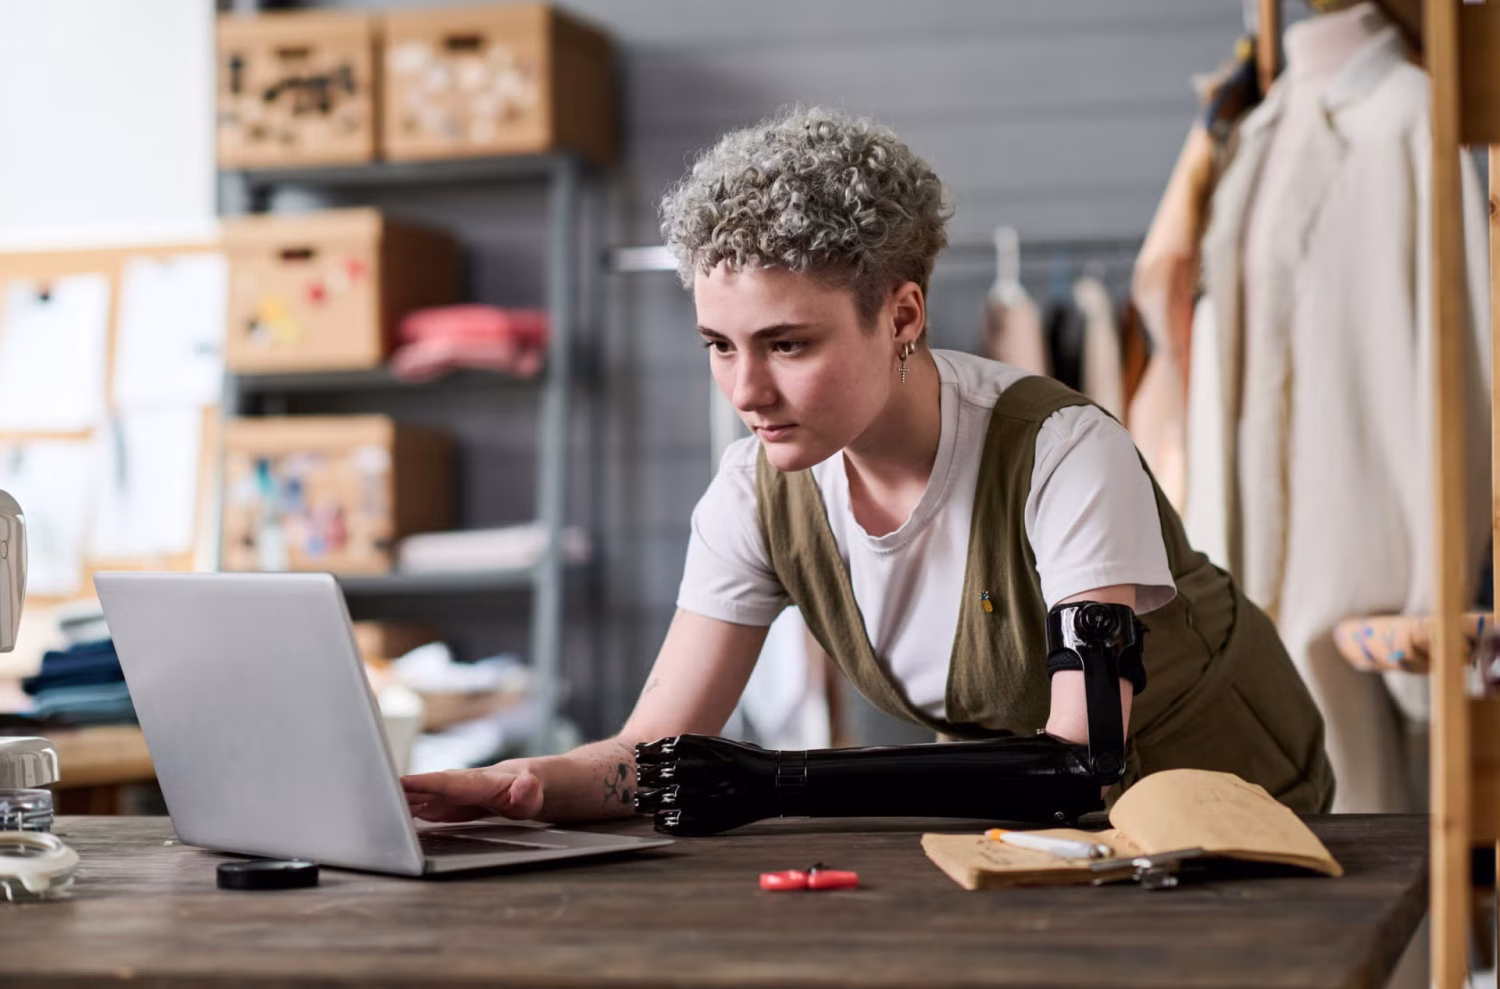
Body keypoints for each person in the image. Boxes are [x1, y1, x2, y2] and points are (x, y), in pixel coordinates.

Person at [401, 106, 1334, 827]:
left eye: (787, 345)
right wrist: (513, 786)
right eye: (718, 346)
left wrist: (772, 784)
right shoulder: (755, 497)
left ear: (901, 315)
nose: (745, 390)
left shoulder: (1064, 454)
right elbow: (654, 748)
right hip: (1049, 840)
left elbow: (1076, 760)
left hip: (1235, 806)